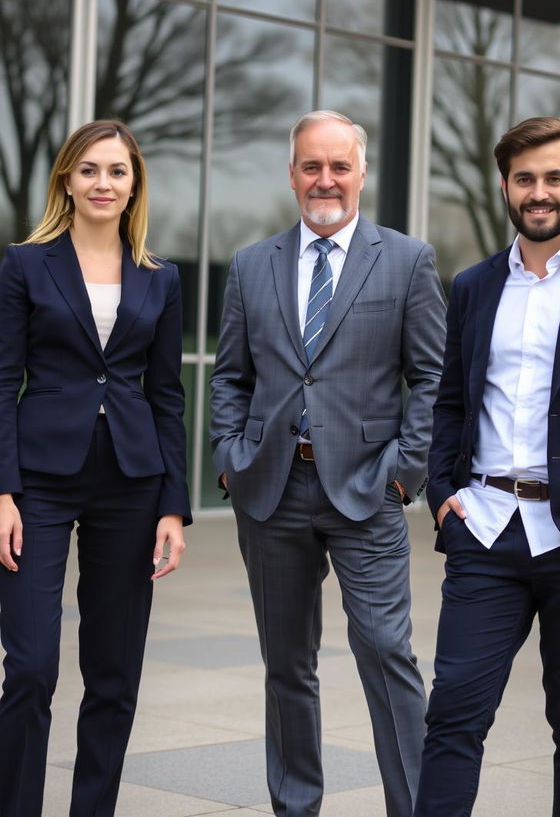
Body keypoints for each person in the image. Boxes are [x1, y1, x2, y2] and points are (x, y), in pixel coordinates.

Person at [210, 110, 446, 816]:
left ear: (361, 173)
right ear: (292, 174)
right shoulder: (252, 265)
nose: (325, 179)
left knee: (385, 653)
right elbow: (229, 377)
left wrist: (404, 472)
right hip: (271, 490)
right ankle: (296, 806)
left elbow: (434, 379)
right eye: (311, 166)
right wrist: (229, 457)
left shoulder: (407, 261)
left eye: (339, 165)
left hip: (367, 489)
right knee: (288, 668)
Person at [414, 116, 560, 817]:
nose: (537, 193)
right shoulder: (476, 285)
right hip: (485, 531)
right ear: (506, 186)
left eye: (551, 178)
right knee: (452, 718)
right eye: (523, 179)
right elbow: (449, 401)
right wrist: (445, 495)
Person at [0, 119, 192, 817]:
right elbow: (1, 378)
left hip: (132, 483)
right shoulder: (25, 264)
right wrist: (2, 490)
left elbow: (167, 394)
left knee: (113, 674)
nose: (102, 183)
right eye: (89, 170)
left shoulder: (161, 277)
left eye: (116, 171)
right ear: (66, 180)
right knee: (29, 667)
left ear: (134, 183)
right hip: (40, 483)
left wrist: (174, 505)